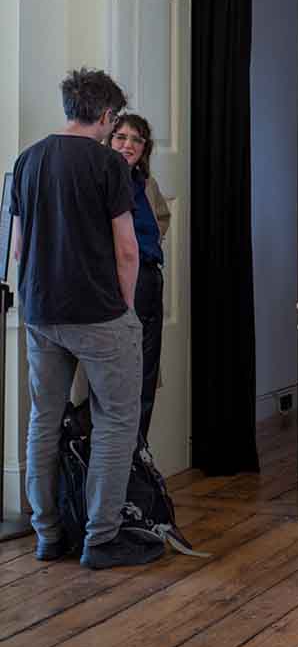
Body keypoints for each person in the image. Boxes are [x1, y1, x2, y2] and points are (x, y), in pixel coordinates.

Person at [10, 69, 165, 569]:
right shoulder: (107, 164)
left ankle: (48, 535)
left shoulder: (27, 160)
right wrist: (125, 309)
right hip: (99, 313)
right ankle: (101, 538)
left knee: (43, 421)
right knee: (115, 421)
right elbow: (127, 249)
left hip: (40, 312)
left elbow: (17, 248)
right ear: (106, 115)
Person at [110, 114, 171, 444]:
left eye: (136, 139)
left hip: (148, 279)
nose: (128, 145)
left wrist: (147, 244)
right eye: (120, 137)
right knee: (117, 377)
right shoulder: (101, 179)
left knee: (146, 374)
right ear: (108, 140)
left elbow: (162, 216)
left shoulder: (146, 183)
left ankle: (138, 454)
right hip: (115, 284)